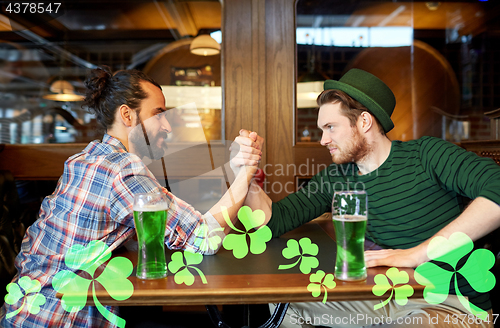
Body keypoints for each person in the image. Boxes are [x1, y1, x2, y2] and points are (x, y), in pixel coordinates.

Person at [0, 66, 262, 327]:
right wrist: (246, 171)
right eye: (158, 114)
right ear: (127, 115)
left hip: (21, 311)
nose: (167, 125)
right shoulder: (122, 168)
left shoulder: (85, 158)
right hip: (58, 320)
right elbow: (204, 238)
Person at [238, 68, 500, 327]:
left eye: (330, 127)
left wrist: (417, 254)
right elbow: (272, 223)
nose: (322, 140)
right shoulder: (336, 178)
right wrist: (246, 174)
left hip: (452, 303)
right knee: (283, 306)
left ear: (364, 122)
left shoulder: (427, 155)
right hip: (388, 297)